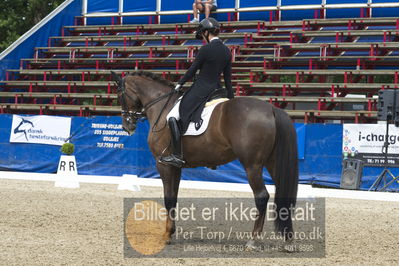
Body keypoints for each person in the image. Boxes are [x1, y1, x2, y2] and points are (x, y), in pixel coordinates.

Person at [159, 18, 234, 168]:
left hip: (201, 89)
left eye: (202, 34)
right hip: (218, 91)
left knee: (173, 116)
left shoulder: (206, 50)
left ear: (206, 32)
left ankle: (176, 155)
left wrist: (180, 83)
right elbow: (227, 78)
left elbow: (193, 69)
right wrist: (231, 98)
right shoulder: (227, 51)